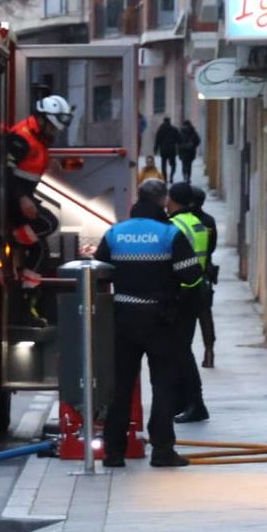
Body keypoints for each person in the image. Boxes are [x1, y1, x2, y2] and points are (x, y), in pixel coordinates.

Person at [95, 177, 203, 467]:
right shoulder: (169, 235)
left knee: (120, 386)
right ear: (161, 201)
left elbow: (99, 271)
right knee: (163, 385)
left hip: (122, 320)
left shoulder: (116, 233)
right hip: (160, 321)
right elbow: (191, 275)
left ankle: (113, 453)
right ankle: (162, 450)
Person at [6, 95, 75, 289]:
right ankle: (11, 240)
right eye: (52, 127)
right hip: (13, 198)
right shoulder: (21, 137)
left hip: (22, 196)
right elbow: (5, 171)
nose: (53, 132)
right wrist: (22, 198)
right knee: (48, 223)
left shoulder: (38, 138)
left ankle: (26, 297)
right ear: (43, 119)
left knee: (40, 252)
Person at [167, 182, 213, 423]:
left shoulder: (175, 226)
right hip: (195, 292)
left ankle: (194, 404)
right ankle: (186, 403)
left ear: (171, 200)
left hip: (180, 294)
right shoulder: (198, 224)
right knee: (182, 350)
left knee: (180, 351)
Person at [191, 186, 220, 369]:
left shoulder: (182, 222)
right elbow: (212, 247)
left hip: (184, 275)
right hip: (205, 273)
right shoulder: (209, 220)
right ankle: (209, 351)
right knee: (205, 314)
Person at [153, 118, 180, 182]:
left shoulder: (160, 130)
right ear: (169, 122)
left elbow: (157, 141)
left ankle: (165, 178)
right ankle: (171, 176)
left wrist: (155, 149)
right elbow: (179, 139)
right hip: (172, 149)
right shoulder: (174, 129)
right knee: (173, 164)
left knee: (163, 164)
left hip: (163, 149)